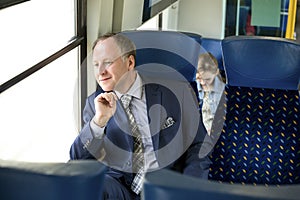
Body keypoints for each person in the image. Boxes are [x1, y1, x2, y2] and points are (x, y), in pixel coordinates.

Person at [69, 32, 211, 199]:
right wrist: (99, 121)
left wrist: (189, 188)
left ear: (129, 62)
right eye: (95, 64)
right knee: (88, 188)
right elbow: (77, 162)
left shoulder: (178, 92)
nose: (100, 72)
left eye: (107, 62)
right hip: (119, 188)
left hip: (165, 187)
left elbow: (199, 145)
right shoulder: (95, 103)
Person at [196, 52, 225, 136]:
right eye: (199, 78)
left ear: (216, 73)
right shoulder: (192, 88)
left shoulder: (223, 92)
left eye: (208, 79)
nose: (203, 83)